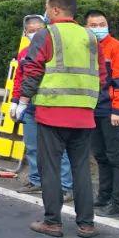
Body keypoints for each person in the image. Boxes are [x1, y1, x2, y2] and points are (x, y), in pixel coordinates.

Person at [17, 0, 106, 238]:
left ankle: (53, 222)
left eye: (47, 8)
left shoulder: (47, 34)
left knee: (51, 168)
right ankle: (86, 224)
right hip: (83, 115)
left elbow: (32, 70)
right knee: (81, 170)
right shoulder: (89, 36)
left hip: (52, 113)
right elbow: (101, 75)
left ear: (55, 10)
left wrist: (23, 101)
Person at [12, 15, 73, 200]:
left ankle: (66, 186)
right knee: (32, 146)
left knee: (57, 148)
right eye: (30, 30)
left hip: (51, 104)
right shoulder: (23, 53)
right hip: (30, 105)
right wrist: (15, 102)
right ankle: (36, 180)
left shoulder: (54, 49)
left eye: (38, 29)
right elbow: (20, 79)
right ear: (25, 32)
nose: (35, 33)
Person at [84, 10, 119, 216]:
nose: (97, 28)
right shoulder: (87, 48)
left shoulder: (118, 48)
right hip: (93, 109)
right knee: (101, 156)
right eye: (93, 25)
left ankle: (118, 202)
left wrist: (118, 110)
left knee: (116, 156)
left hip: (112, 111)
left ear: (107, 25)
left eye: (101, 24)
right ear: (86, 27)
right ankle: (104, 196)